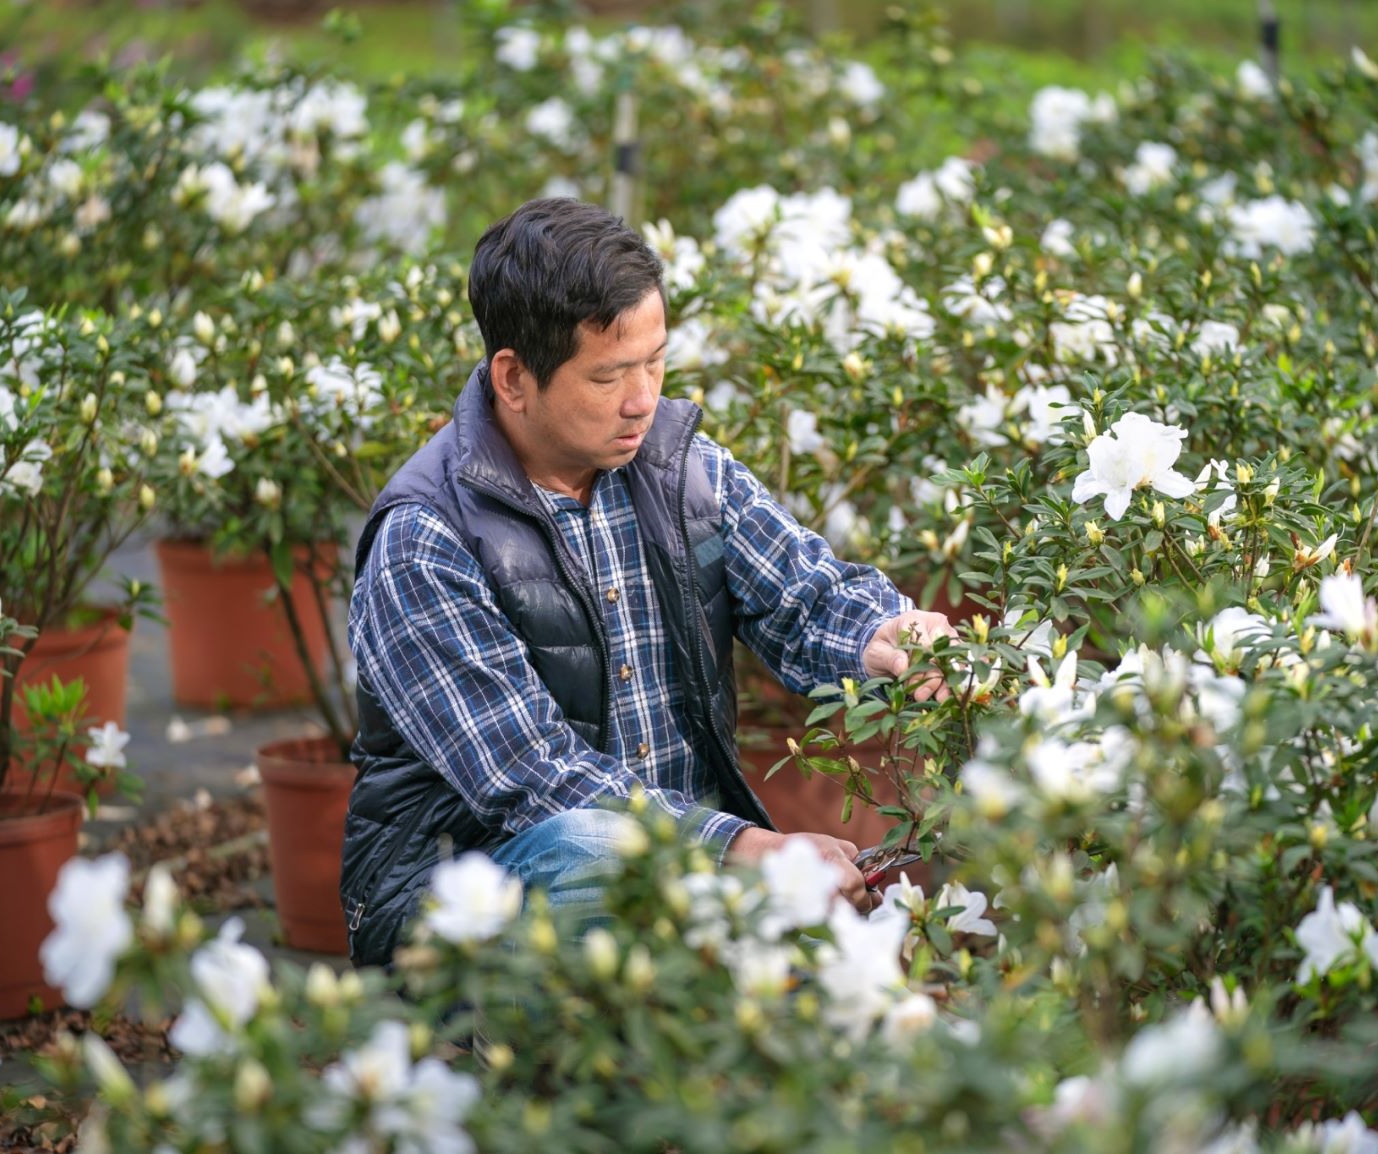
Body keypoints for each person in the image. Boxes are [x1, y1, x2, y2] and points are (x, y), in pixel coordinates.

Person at [341, 197, 953, 968]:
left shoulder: (677, 468)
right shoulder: (426, 539)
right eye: (608, 376)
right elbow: (532, 778)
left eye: (655, 362)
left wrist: (886, 636)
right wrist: (744, 846)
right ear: (514, 378)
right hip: (464, 899)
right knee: (587, 850)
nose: (643, 400)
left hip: (684, 867)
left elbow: (807, 594)